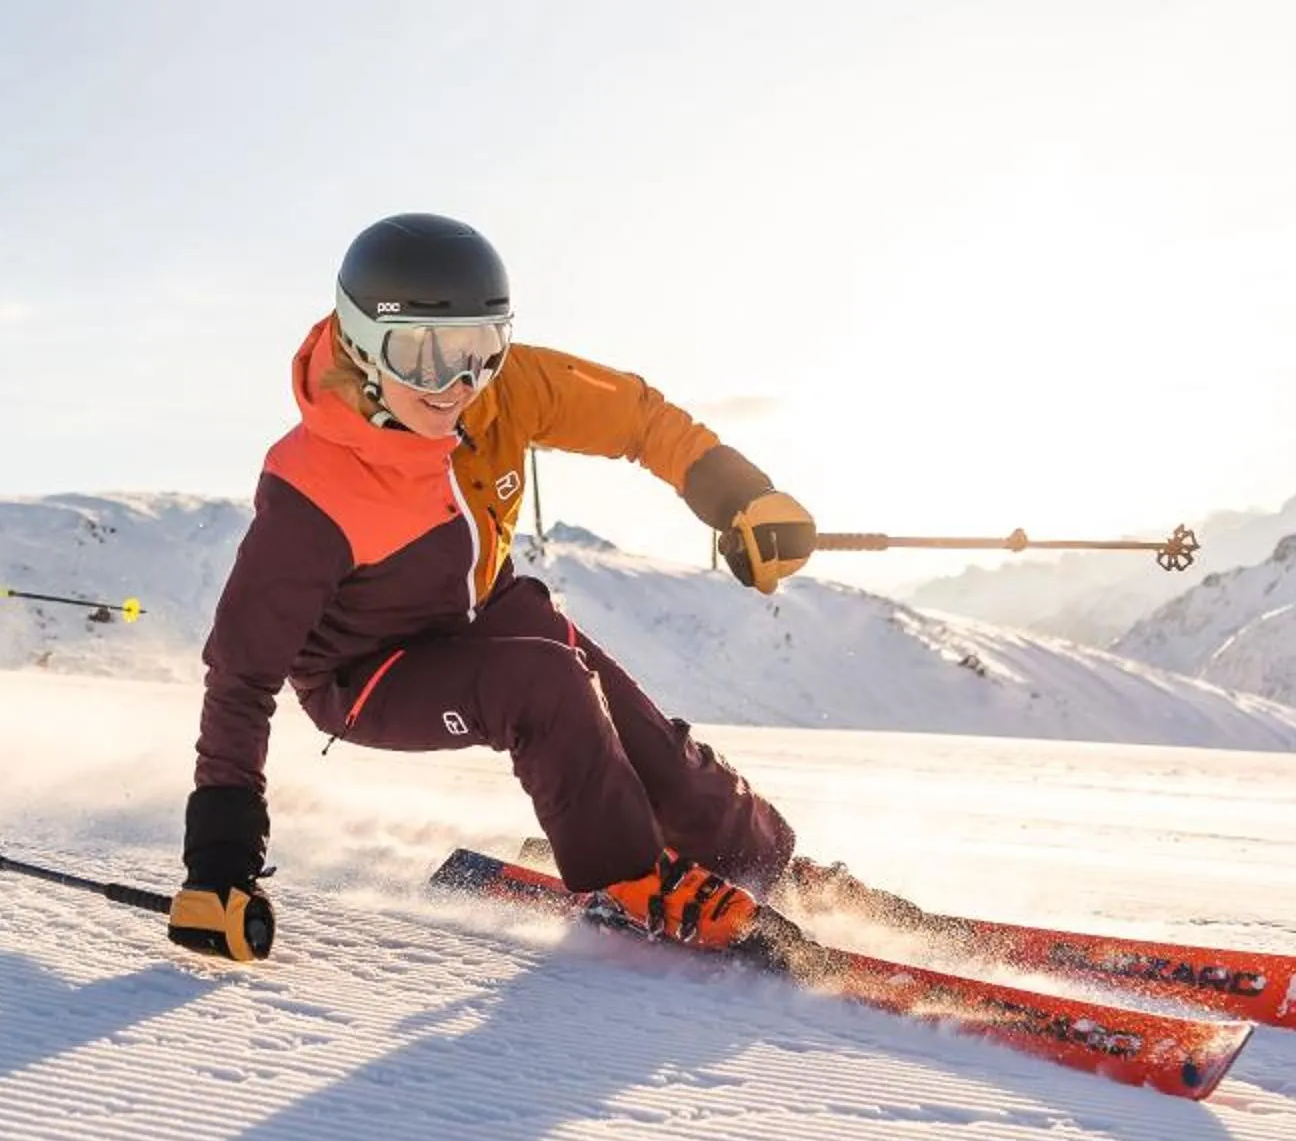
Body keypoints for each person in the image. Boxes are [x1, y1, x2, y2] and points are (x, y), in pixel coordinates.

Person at [168, 215, 822, 965]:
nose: (455, 386)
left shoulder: (501, 394)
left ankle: (757, 860)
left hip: (483, 611)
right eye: (421, 355)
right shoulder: (311, 485)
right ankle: (628, 878)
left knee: (650, 746)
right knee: (542, 685)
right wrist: (220, 862)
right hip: (369, 672)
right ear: (359, 342)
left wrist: (737, 496)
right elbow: (241, 672)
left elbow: (635, 418)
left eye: (481, 350)